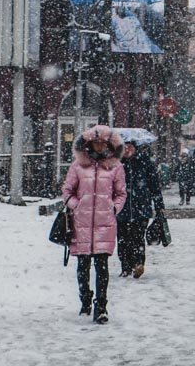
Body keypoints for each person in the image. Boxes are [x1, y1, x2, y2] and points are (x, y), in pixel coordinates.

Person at [61, 125, 126, 324]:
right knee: (83, 266)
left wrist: (113, 208)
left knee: (102, 267)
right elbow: (67, 191)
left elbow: (121, 193)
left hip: (104, 224)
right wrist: (77, 205)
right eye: (95, 142)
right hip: (81, 224)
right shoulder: (78, 166)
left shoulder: (116, 167)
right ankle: (85, 299)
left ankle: (101, 306)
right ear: (89, 144)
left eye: (103, 143)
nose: (99, 146)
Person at [117, 140, 163, 279]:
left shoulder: (145, 163)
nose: (127, 150)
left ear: (135, 148)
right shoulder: (116, 164)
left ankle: (138, 264)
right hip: (121, 209)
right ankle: (125, 267)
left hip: (141, 208)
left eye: (129, 147)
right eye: (124, 147)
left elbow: (154, 185)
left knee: (137, 238)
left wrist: (159, 205)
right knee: (123, 239)